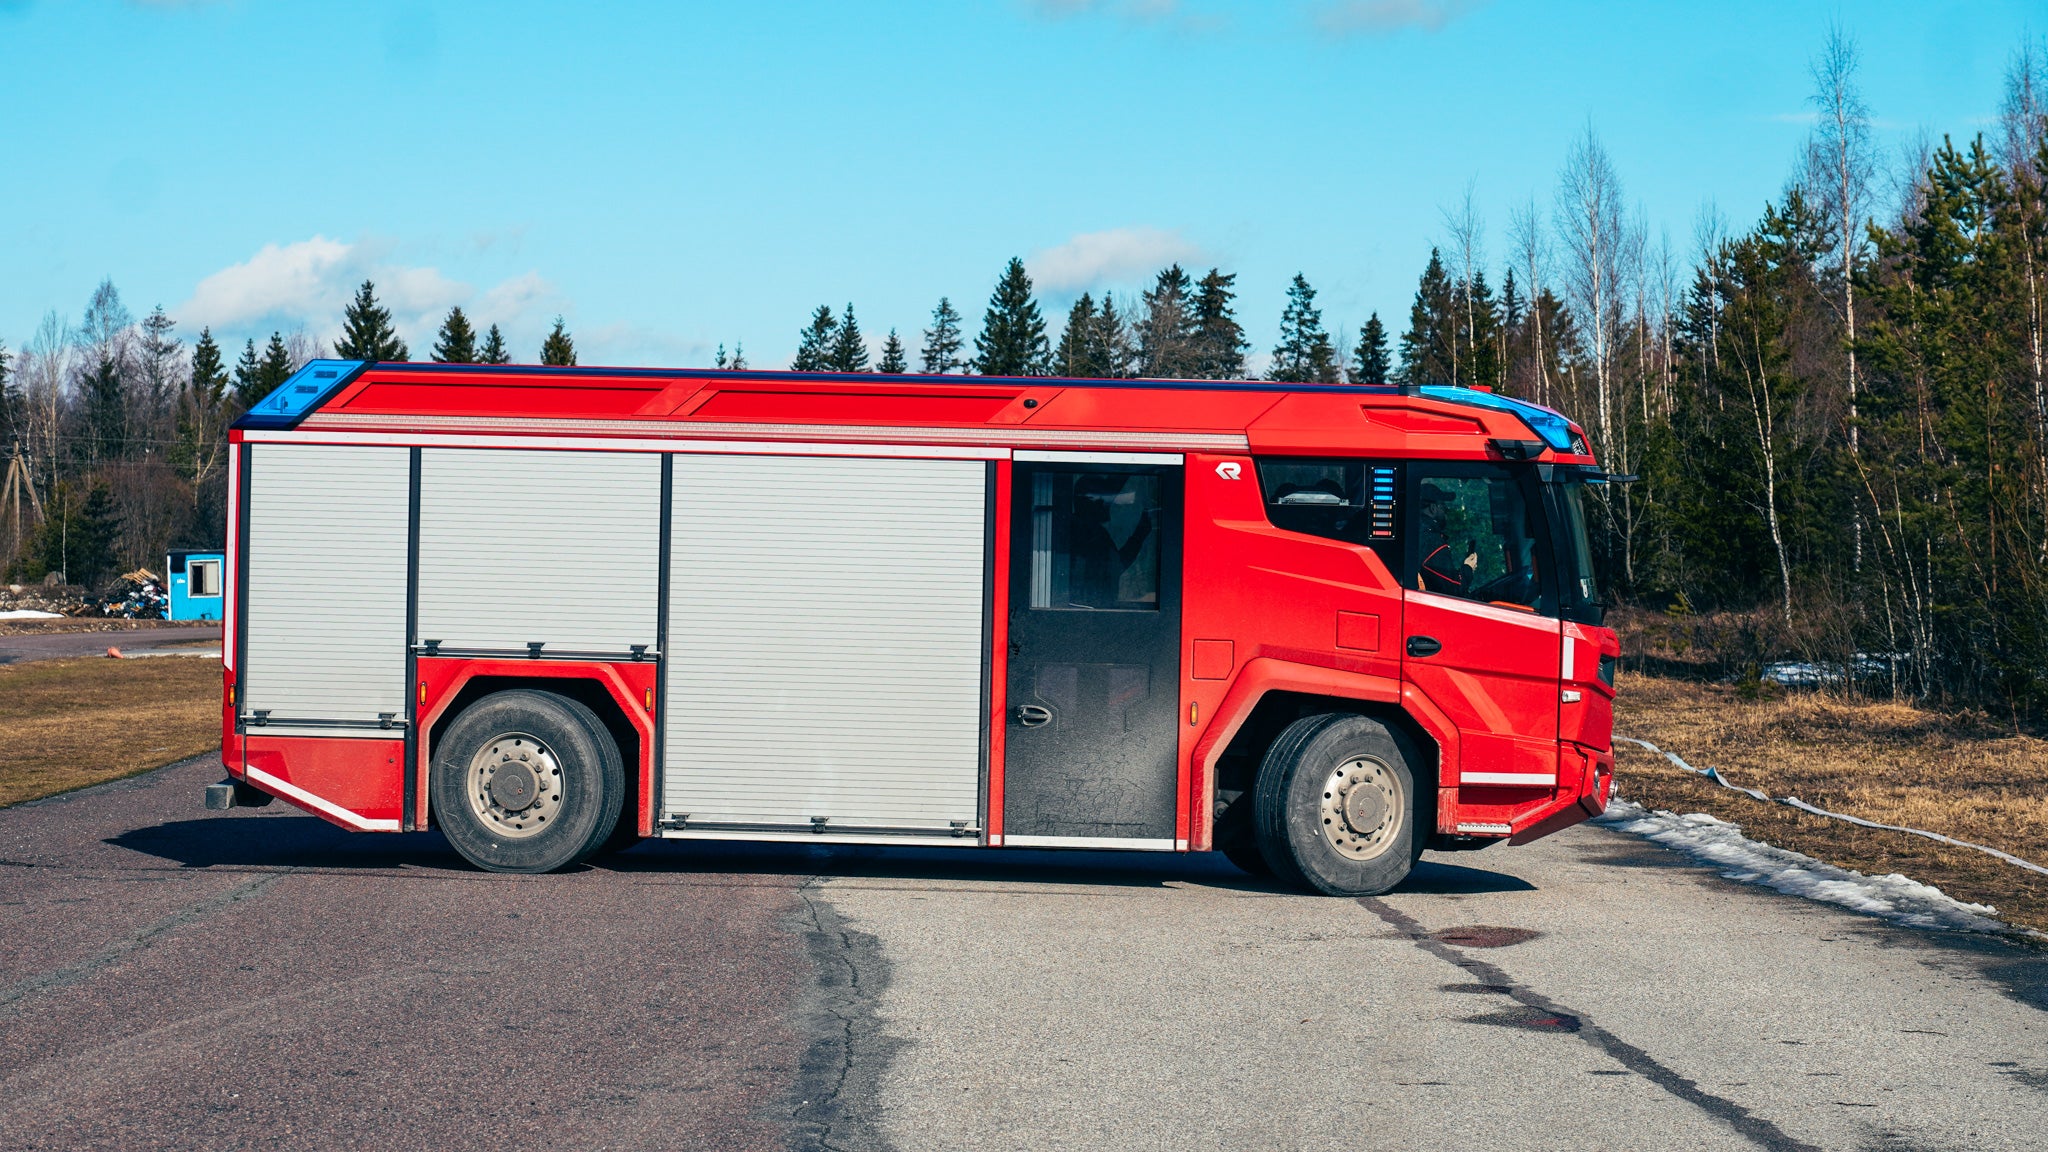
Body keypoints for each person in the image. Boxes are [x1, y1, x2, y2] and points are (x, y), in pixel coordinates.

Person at [1415, 481, 1478, 596]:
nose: (1446, 511)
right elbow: (1454, 588)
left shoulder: (1417, 534)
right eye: (1443, 506)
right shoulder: (1431, 541)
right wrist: (1468, 567)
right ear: (1433, 508)